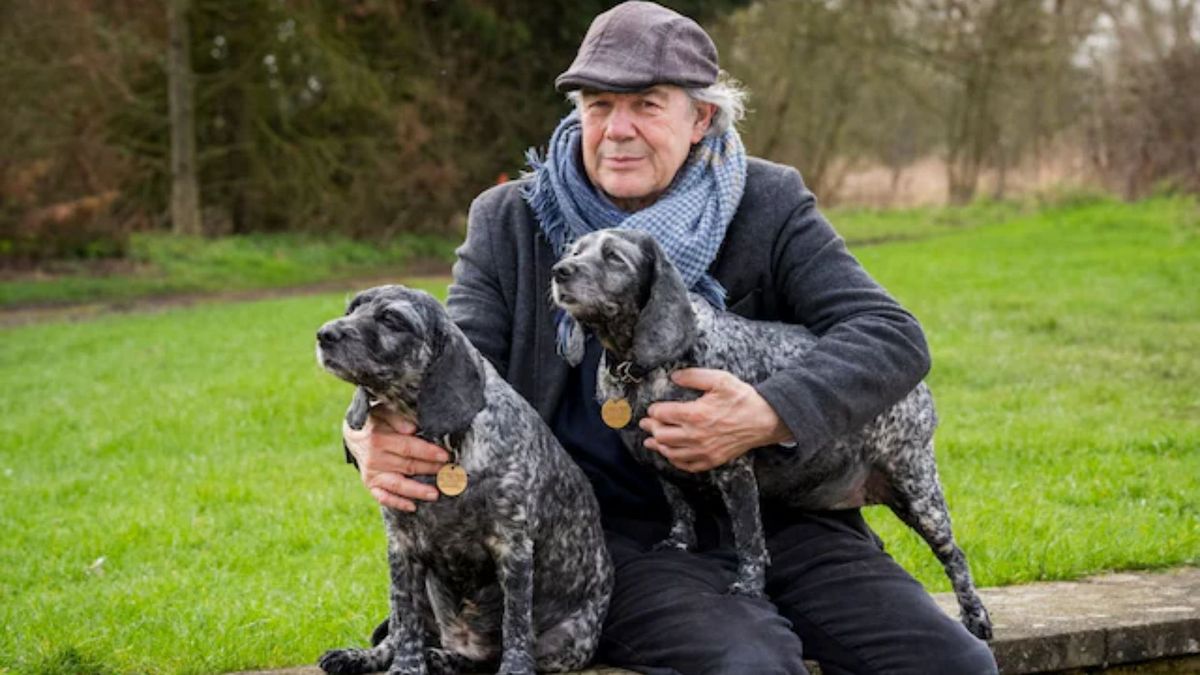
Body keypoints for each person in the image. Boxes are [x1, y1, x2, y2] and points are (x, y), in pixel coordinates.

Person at [342, 2, 999, 673]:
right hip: (610, 537)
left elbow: (891, 336)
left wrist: (768, 413)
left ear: (701, 117)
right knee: (751, 666)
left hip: (786, 521)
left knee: (955, 665)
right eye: (598, 105)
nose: (617, 129)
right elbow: (453, 365)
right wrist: (362, 435)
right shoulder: (512, 219)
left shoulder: (768, 202)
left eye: (647, 106)